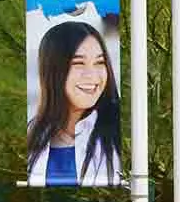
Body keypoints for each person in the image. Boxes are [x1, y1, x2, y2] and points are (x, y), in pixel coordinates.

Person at [26, 20, 122, 187]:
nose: (92, 75)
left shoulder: (119, 132)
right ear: (53, 69)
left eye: (99, 62)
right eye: (78, 63)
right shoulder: (32, 134)